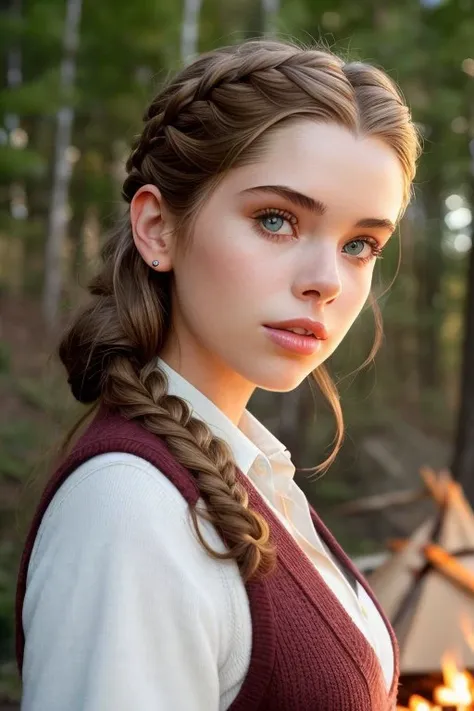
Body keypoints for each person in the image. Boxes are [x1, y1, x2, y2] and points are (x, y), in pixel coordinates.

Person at [15, 38, 421, 711]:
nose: (325, 281)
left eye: (359, 244)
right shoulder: (132, 510)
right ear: (157, 228)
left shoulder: (253, 471)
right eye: (276, 220)